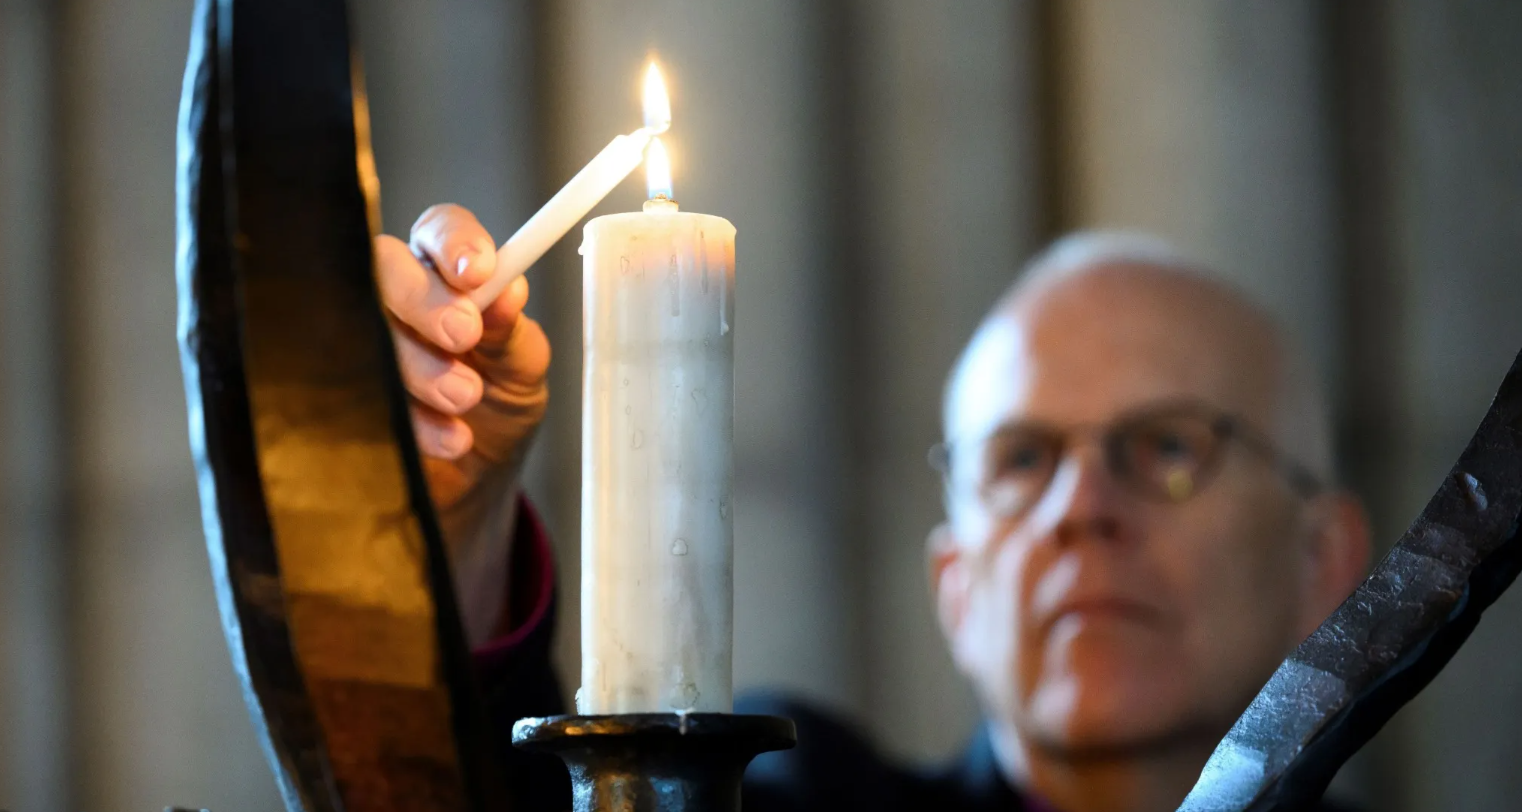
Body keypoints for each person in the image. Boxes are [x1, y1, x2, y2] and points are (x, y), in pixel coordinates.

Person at [376, 204, 1372, 812]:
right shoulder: (790, 803)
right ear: (954, 587)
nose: (1080, 508)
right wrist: (462, 522)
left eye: (1166, 446)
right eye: (1021, 458)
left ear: (1325, 561)